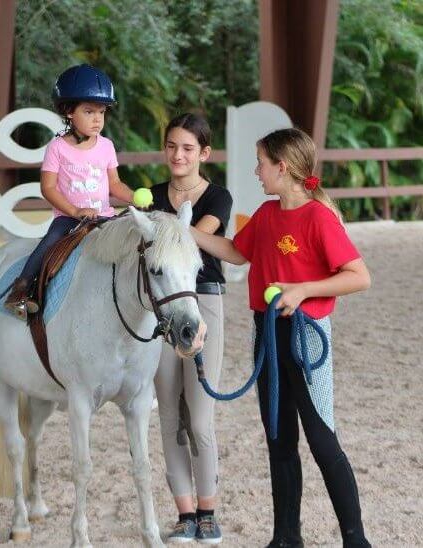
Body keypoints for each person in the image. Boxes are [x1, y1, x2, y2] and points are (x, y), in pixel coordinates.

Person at [191, 127, 372, 547]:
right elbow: (237, 252)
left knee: (322, 439)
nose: (257, 171)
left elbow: (360, 277)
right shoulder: (268, 214)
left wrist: (304, 289)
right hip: (268, 335)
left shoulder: (319, 218)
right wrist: (186, 232)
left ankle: (356, 539)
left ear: (282, 166)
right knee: (279, 439)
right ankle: (286, 537)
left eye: (261, 162)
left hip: (306, 340)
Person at [150, 113, 232, 544]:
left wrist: (159, 226)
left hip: (203, 301)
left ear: (204, 153)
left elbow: (194, 238)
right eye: (171, 146)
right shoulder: (152, 197)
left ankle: (208, 511)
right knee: (168, 415)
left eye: (187, 148)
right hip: (161, 308)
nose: (177, 155)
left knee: (199, 418)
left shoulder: (217, 197)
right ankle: (183, 513)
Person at [5, 64, 134, 319]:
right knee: (48, 245)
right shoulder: (57, 148)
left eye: (101, 112)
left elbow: (115, 184)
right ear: (69, 112)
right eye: (89, 111)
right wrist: (75, 211)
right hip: (68, 218)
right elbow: (48, 187)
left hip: (103, 215)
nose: (98, 119)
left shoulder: (106, 146)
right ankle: (22, 289)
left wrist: (135, 197)